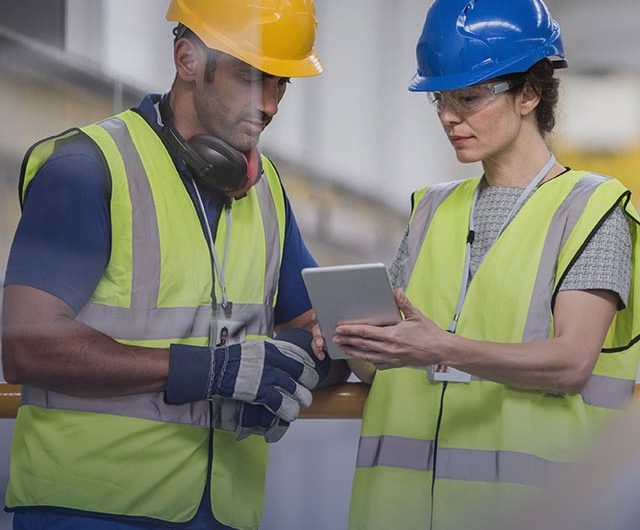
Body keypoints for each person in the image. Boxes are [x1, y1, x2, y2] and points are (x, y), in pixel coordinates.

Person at [1, 1, 346, 529]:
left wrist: (289, 365)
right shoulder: (88, 168)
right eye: (251, 77)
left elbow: (317, 326)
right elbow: (26, 345)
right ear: (187, 58)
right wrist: (210, 372)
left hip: (222, 513)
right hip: (87, 511)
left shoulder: (267, 190)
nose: (270, 104)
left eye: (281, 84)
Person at [322, 1, 640, 529]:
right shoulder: (429, 210)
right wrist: (360, 345)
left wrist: (442, 348)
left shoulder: (593, 209)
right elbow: (388, 370)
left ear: (530, 94)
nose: (449, 116)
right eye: (440, 98)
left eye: (468, 97)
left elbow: (571, 362)